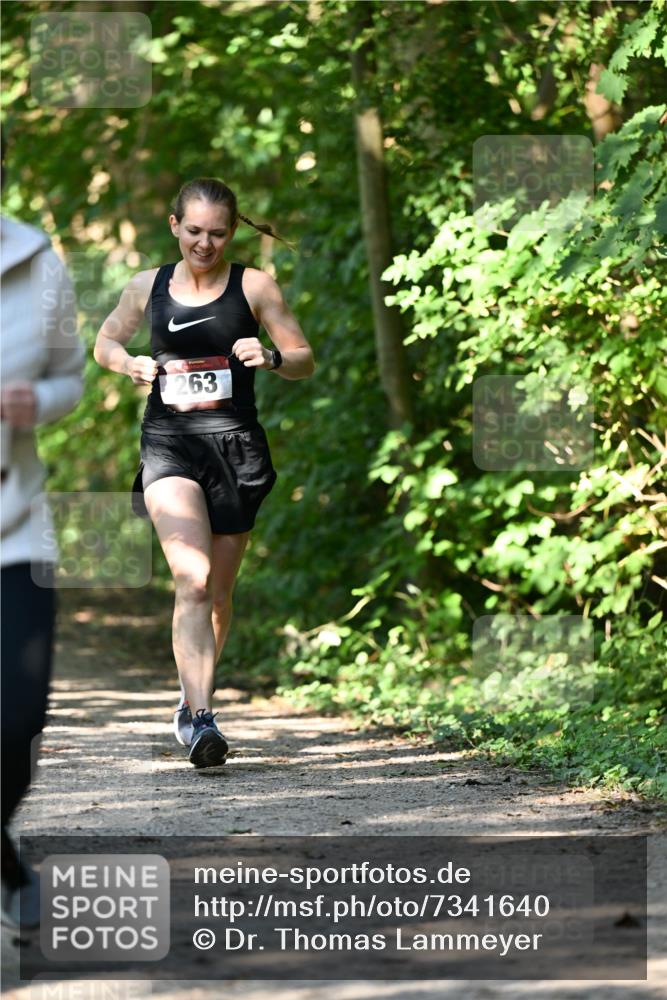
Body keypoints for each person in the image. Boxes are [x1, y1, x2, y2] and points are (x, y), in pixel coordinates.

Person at [93, 177, 315, 769]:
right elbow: (105, 341)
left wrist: (271, 357)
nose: (204, 243)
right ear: (174, 226)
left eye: (217, 233)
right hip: (169, 445)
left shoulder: (255, 287)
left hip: (236, 449)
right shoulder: (147, 286)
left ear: (232, 231)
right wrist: (127, 363)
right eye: (193, 231)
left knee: (217, 595)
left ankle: (191, 699)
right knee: (192, 579)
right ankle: (201, 718)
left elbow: (303, 358)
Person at [1, 210, 85, 927]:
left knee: (19, 720)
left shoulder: (40, 264)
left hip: (15, 529)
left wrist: (40, 401)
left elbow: (70, 378)